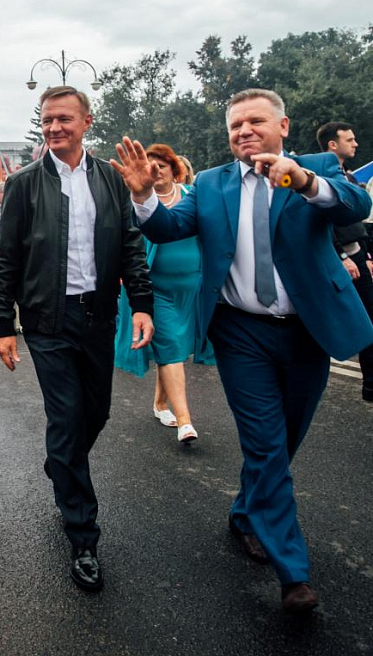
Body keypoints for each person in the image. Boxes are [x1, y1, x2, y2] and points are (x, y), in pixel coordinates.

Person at [113, 88, 373, 613]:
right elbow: (167, 226)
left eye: (255, 121)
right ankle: (292, 571)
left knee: (286, 437)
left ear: (283, 126)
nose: (244, 131)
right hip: (241, 333)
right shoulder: (212, 184)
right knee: (264, 443)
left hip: (307, 332)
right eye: (236, 125)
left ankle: (245, 513)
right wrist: (144, 197)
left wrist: (305, 181)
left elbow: (356, 204)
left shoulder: (318, 167)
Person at [0, 85, 154, 593]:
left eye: (63, 118)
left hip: (99, 316)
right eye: (47, 119)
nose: (54, 127)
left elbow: (130, 244)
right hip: (48, 321)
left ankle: (61, 464)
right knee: (65, 417)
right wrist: (3, 326)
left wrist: (142, 303)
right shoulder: (23, 184)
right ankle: (83, 537)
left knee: (96, 413)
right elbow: (6, 258)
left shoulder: (109, 178)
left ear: (86, 122)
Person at [113, 144, 209, 443]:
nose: (154, 170)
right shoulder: (136, 203)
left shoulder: (192, 195)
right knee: (170, 347)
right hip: (155, 289)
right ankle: (185, 422)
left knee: (177, 349)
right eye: (148, 166)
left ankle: (160, 403)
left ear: (173, 168)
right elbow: (123, 241)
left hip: (192, 288)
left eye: (161, 165)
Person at [317, 121, 373, 402]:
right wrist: (341, 256)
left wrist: (366, 255)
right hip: (337, 259)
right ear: (333, 144)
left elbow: (359, 222)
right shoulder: (316, 179)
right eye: (349, 140)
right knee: (339, 319)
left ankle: (370, 384)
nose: (355, 143)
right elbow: (320, 224)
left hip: (358, 254)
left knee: (367, 318)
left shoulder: (348, 177)